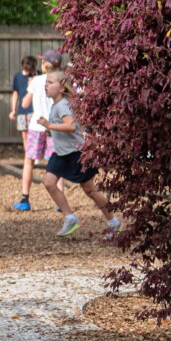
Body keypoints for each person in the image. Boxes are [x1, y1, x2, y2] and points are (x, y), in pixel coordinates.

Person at [34, 71, 120, 238]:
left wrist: (50, 125)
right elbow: (65, 128)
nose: (46, 85)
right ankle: (70, 217)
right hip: (62, 154)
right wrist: (51, 131)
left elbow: (71, 127)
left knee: (91, 191)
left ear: (61, 87)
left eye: (50, 82)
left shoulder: (62, 106)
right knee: (49, 182)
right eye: (46, 82)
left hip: (77, 154)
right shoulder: (56, 105)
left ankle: (114, 223)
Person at [21, 49, 63, 210]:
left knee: (29, 161)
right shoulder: (61, 81)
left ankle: (25, 199)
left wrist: (29, 89)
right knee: (57, 164)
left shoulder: (36, 81)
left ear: (45, 64)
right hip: (55, 128)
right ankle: (60, 202)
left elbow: (25, 104)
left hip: (36, 127)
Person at [9, 55, 39, 211]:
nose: (28, 70)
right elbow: (15, 94)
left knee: (32, 135)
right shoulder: (17, 77)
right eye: (26, 67)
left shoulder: (38, 76)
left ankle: (33, 157)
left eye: (30, 67)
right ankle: (30, 155)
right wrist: (13, 110)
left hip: (35, 112)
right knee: (25, 136)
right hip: (22, 111)